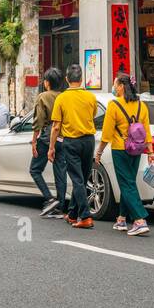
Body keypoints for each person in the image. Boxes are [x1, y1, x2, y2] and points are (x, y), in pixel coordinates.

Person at [95, 72, 154, 236]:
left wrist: (99, 152)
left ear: (121, 86)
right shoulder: (142, 105)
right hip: (138, 149)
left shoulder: (114, 105)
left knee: (126, 184)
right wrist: (150, 151)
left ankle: (140, 220)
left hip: (120, 149)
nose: (113, 87)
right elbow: (147, 131)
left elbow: (106, 133)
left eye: (115, 84)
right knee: (129, 182)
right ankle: (121, 219)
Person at [49, 64, 99, 228]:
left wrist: (51, 148)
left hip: (71, 142)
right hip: (89, 140)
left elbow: (56, 126)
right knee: (83, 179)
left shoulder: (62, 98)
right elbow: (93, 116)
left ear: (67, 79)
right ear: (82, 79)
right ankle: (72, 213)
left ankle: (85, 216)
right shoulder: (90, 97)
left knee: (77, 180)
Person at [33, 68, 66, 217]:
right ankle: (60, 206)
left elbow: (38, 121)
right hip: (64, 136)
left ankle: (49, 198)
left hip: (47, 136)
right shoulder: (65, 97)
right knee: (60, 172)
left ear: (47, 83)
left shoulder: (43, 97)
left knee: (35, 169)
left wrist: (34, 141)